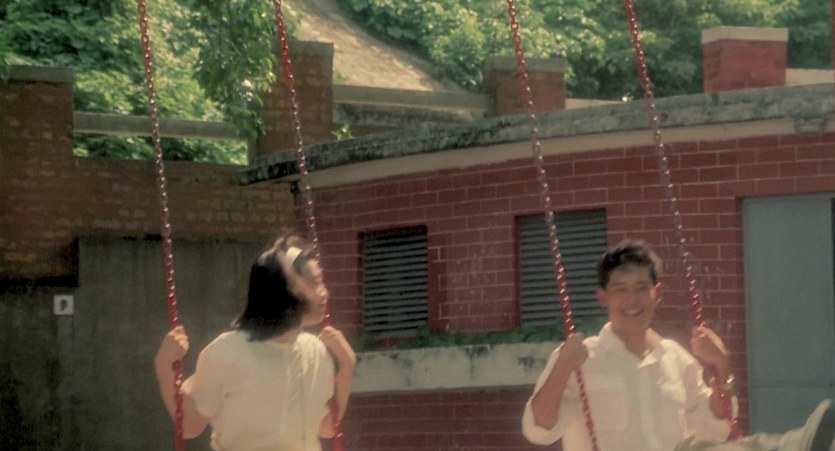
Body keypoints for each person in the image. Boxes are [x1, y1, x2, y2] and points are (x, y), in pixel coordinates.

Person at [521, 239, 834, 451]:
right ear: (603, 297)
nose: (632, 300)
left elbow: (716, 427)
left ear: (657, 293)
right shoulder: (580, 358)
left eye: (641, 288)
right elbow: (538, 430)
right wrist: (562, 367)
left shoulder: (676, 358)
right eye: (620, 290)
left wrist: (722, 366)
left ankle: (801, 443)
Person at [154, 231, 356, 451]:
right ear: (286, 289)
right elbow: (190, 424)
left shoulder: (315, 351)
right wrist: (165, 366)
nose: (325, 293)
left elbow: (326, 427)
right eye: (316, 283)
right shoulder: (228, 352)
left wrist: (347, 366)